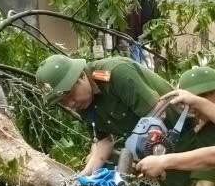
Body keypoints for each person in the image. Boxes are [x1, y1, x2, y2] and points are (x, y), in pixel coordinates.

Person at [35, 53, 174, 174]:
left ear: (82, 76)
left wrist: (135, 152)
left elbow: (157, 111)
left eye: (70, 95)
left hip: (180, 131)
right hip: (157, 147)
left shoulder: (116, 73)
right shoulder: (84, 102)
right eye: (63, 102)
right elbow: (103, 141)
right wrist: (85, 175)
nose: (71, 104)